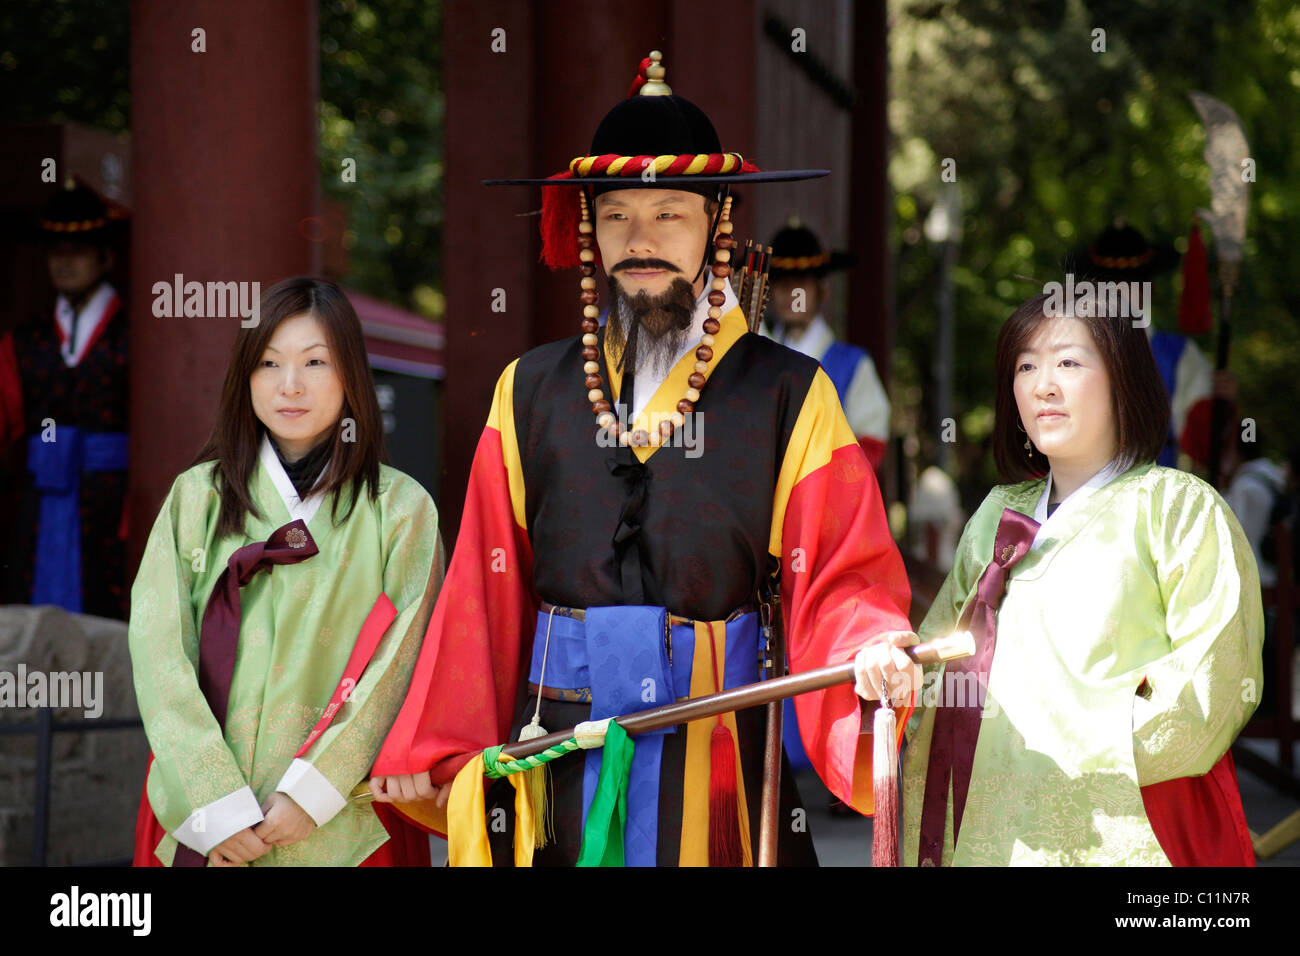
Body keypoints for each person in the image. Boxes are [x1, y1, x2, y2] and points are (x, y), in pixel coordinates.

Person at [370, 51, 915, 867]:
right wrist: (438, 741)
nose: (641, 240)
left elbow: (843, 574)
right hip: (558, 747)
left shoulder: (790, 394)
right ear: (587, 229)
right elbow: (485, 586)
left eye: (670, 214)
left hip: (720, 748)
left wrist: (871, 644)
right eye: (616, 215)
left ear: (717, 226)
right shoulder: (528, 389)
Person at [858, 290, 1263, 865]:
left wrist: (1073, 754)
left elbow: (1213, 687)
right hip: (990, 828)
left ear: (1124, 378)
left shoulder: (1179, 509)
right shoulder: (997, 515)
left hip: (1123, 825)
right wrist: (898, 676)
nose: (1043, 384)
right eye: (1026, 366)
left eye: (1069, 362)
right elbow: (940, 659)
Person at [129, 277, 444, 866]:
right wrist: (213, 806)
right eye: (269, 364)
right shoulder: (197, 498)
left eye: (315, 362)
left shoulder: (400, 509)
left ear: (351, 372)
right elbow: (158, 654)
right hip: (200, 815)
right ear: (244, 377)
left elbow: (404, 659)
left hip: (342, 810)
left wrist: (315, 791)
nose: (290, 385)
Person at [0, 178, 131, 618]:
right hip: (37, 503)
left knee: (107, 609)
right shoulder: (23, 340)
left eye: (78, 250)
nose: (65, 262)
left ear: (105, 256)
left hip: (113, 502)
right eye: (56, 251)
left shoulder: (137, 335)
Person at [763, 218, 890, 469]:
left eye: (801, 282)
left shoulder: (853, 365)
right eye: (782, 282)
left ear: (823, 291)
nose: (791, 292)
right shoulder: (758, 356)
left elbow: (870, 447)